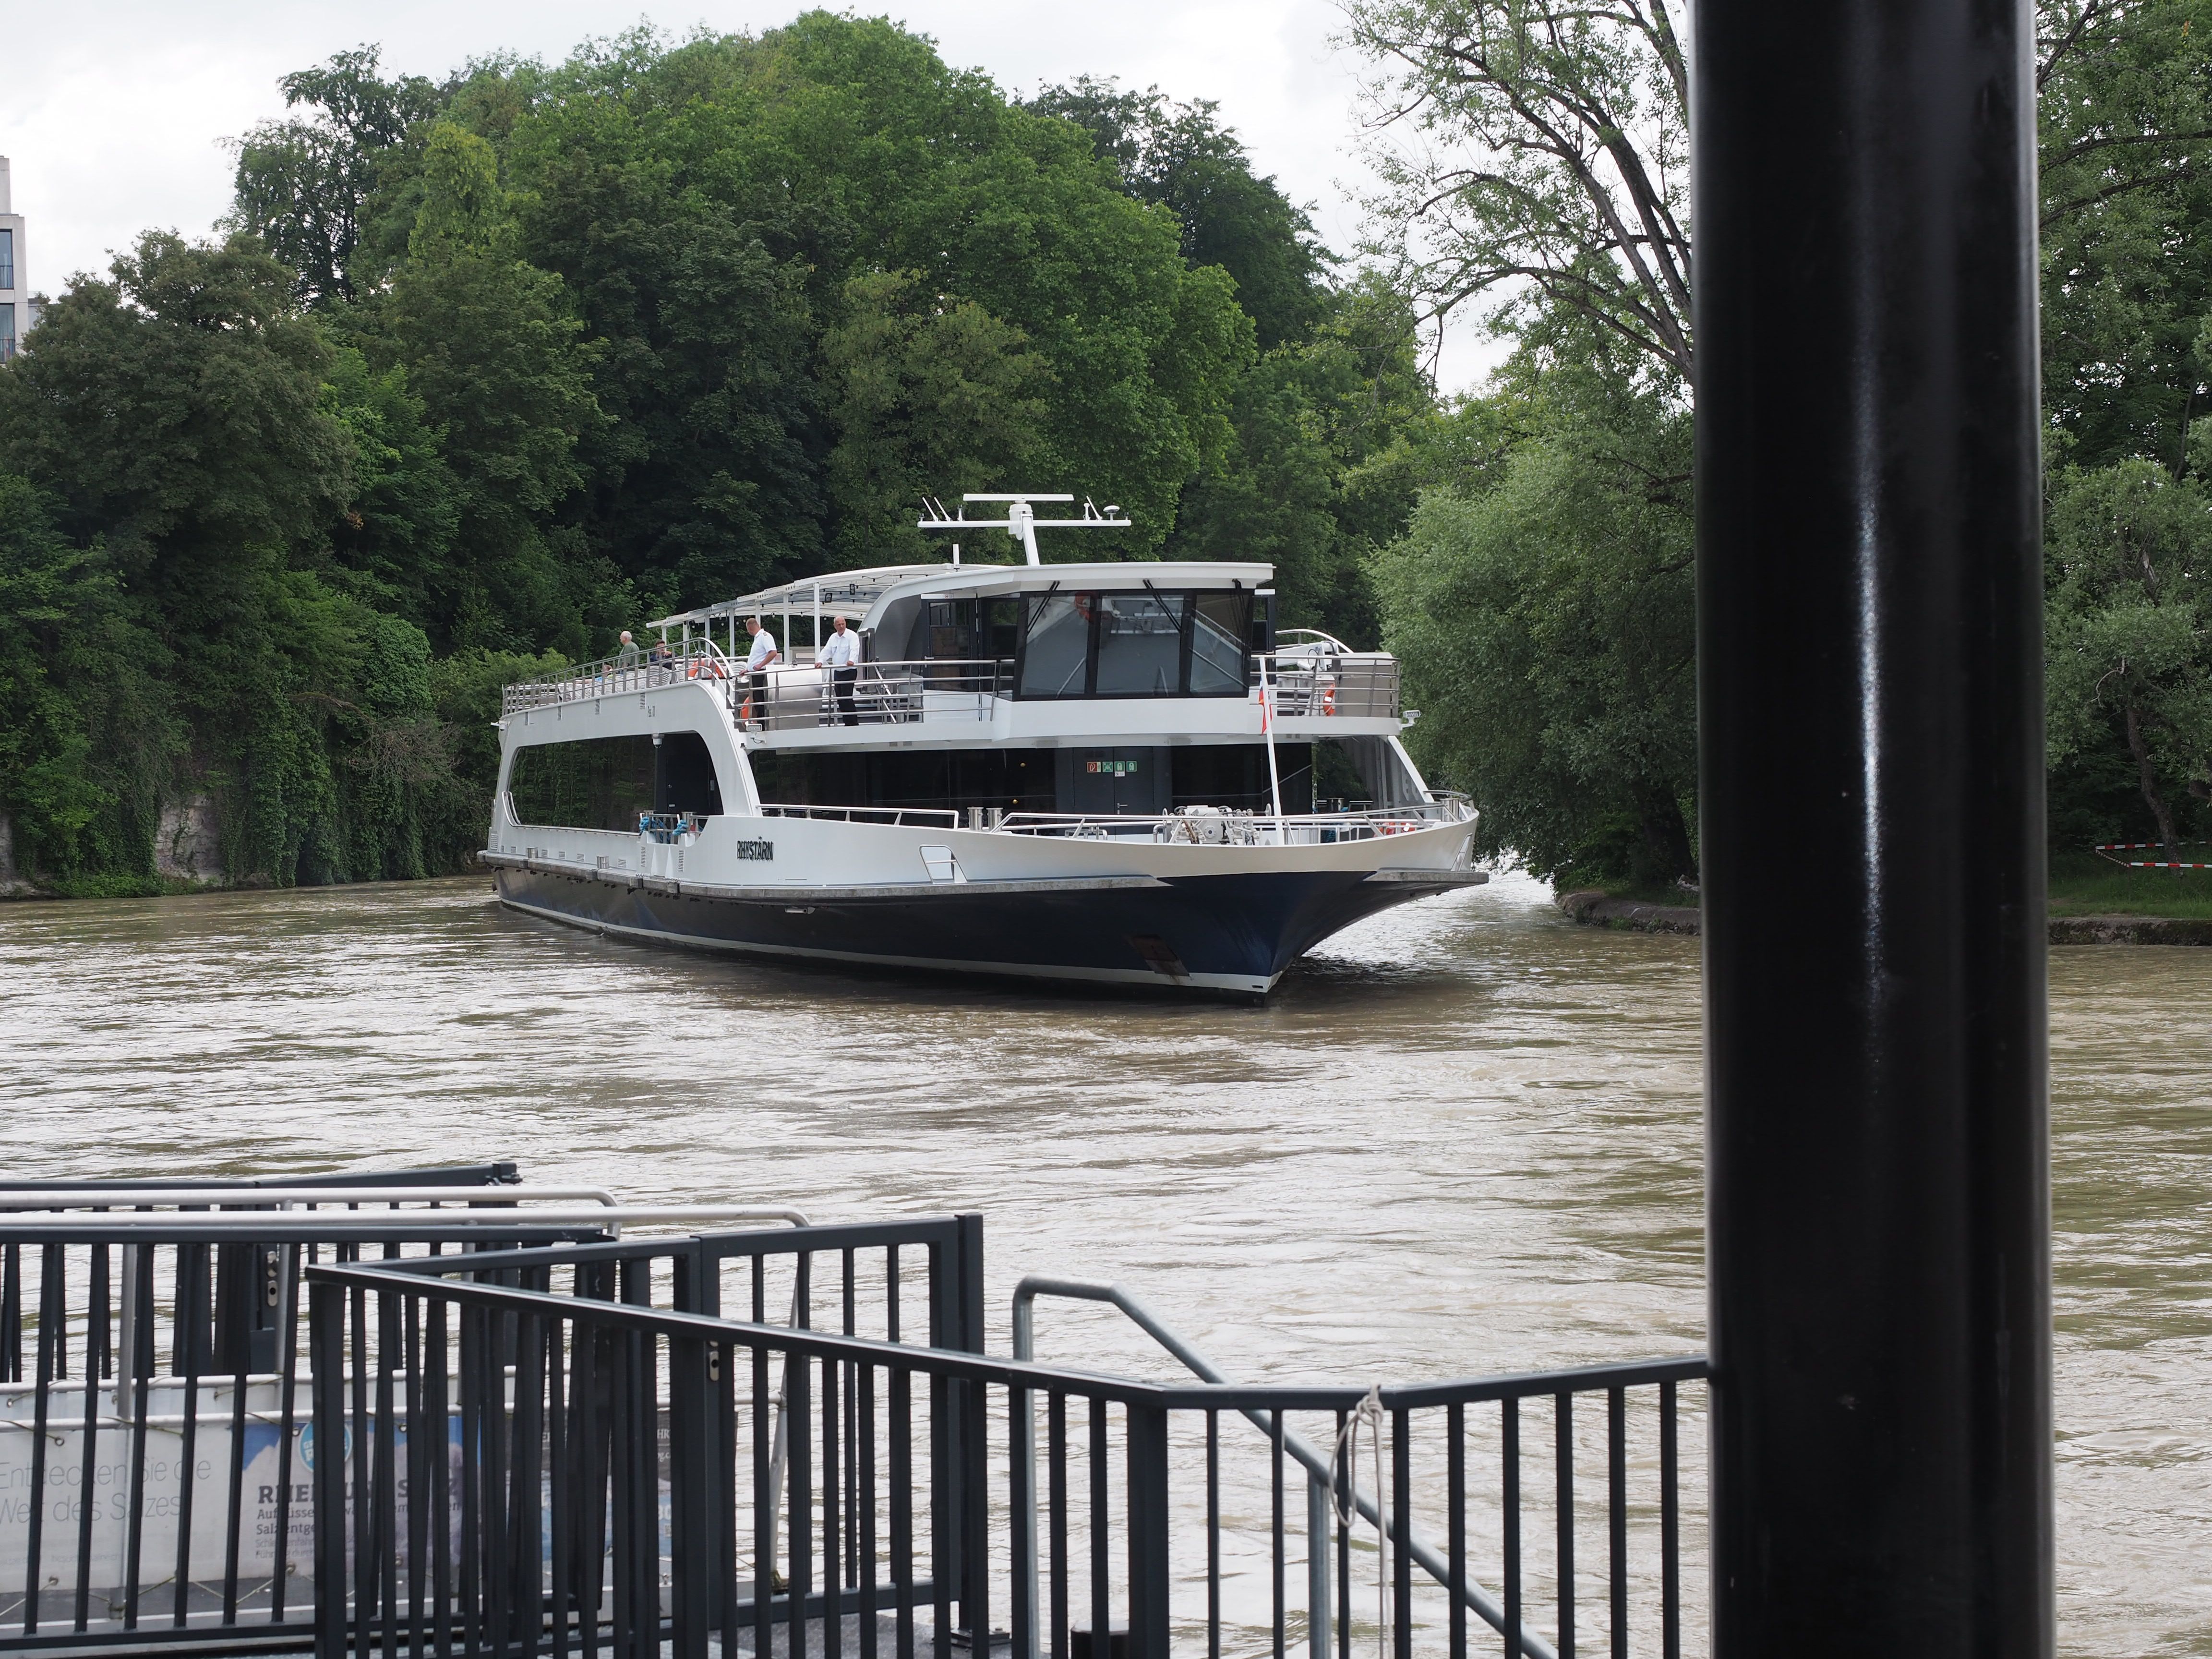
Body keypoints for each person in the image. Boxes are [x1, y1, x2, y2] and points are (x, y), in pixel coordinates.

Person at [815, 613, 861, 726]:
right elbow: (827, 650)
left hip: (849, 671)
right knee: (840, 698)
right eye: (839, 625)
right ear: (835, 626)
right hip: (838, 672)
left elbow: (854, 649)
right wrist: (820, 660)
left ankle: (853, 723)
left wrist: (852, 660)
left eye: (843, 624)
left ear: (846, 624)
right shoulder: (833, 638)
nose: (841, 626)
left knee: (847, 697)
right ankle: (847, 722)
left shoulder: (852, 636)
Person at [742, 615, 779, 722]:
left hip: (761, 672)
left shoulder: (764, 637)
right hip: (756, 672)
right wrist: (748, 670)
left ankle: (762, 722)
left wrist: (760, 665)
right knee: (757, 698)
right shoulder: (758, 638)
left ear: (749, 628)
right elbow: (757, 657)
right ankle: (760, 721)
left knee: (760, 699)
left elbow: (773, 653)